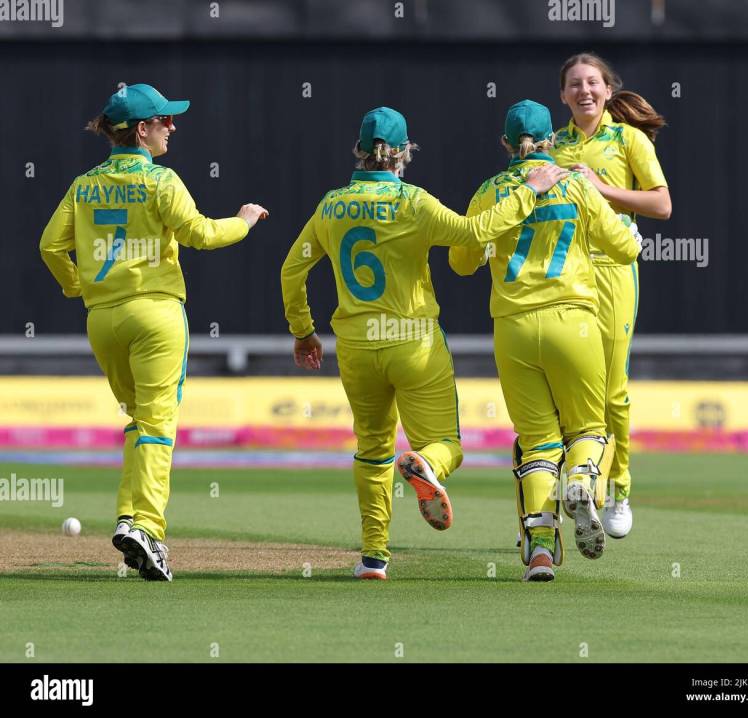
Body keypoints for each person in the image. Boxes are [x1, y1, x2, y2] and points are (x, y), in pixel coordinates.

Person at [280, 106, 568, 580]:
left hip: (357, 343)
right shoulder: (414, 202)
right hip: (413, 340)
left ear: (359, 150)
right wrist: (527, 192)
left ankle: (373, 557)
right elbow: (475, 232)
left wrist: (302, 330)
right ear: (404, 154)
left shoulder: (331, 205)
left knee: (370, 448)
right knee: (447, 444)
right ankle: (425, 463)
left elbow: (292, 270)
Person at [39, 83, 268, 581]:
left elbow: (50, 248)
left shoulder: (84, 185)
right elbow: (202, 234)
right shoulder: (160, 181)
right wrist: (244, 222)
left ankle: (131, 519)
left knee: (139, 421)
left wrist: (79, 286)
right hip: (156, 315)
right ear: (141, 131)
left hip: (103, 321)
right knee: (158, 425)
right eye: (165, 120)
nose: (172, 126)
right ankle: (146, 526)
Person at [449, 100, 641, 581]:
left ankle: (538, 551)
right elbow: (622, 247)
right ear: (552, 141)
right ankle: (579, 480)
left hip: (513, 328)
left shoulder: (490, 191)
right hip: (572, 321)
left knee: (536, 444)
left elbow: (460, 261)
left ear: (505, 145)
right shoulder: (575, 184)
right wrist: (631, 236)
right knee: (590, 430)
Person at [550, 53, 671, 539]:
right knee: (569, 389)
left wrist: (600, 188)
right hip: (562, 278)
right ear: (562, 95)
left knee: (612, 390)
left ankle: (619, 487)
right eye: (575, 84)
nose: (584, 91)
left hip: (614, 271)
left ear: (607, 89)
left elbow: (661, 203)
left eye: (593, 83)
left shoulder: (628, 139)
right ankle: (580, 485)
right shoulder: (551, 144)